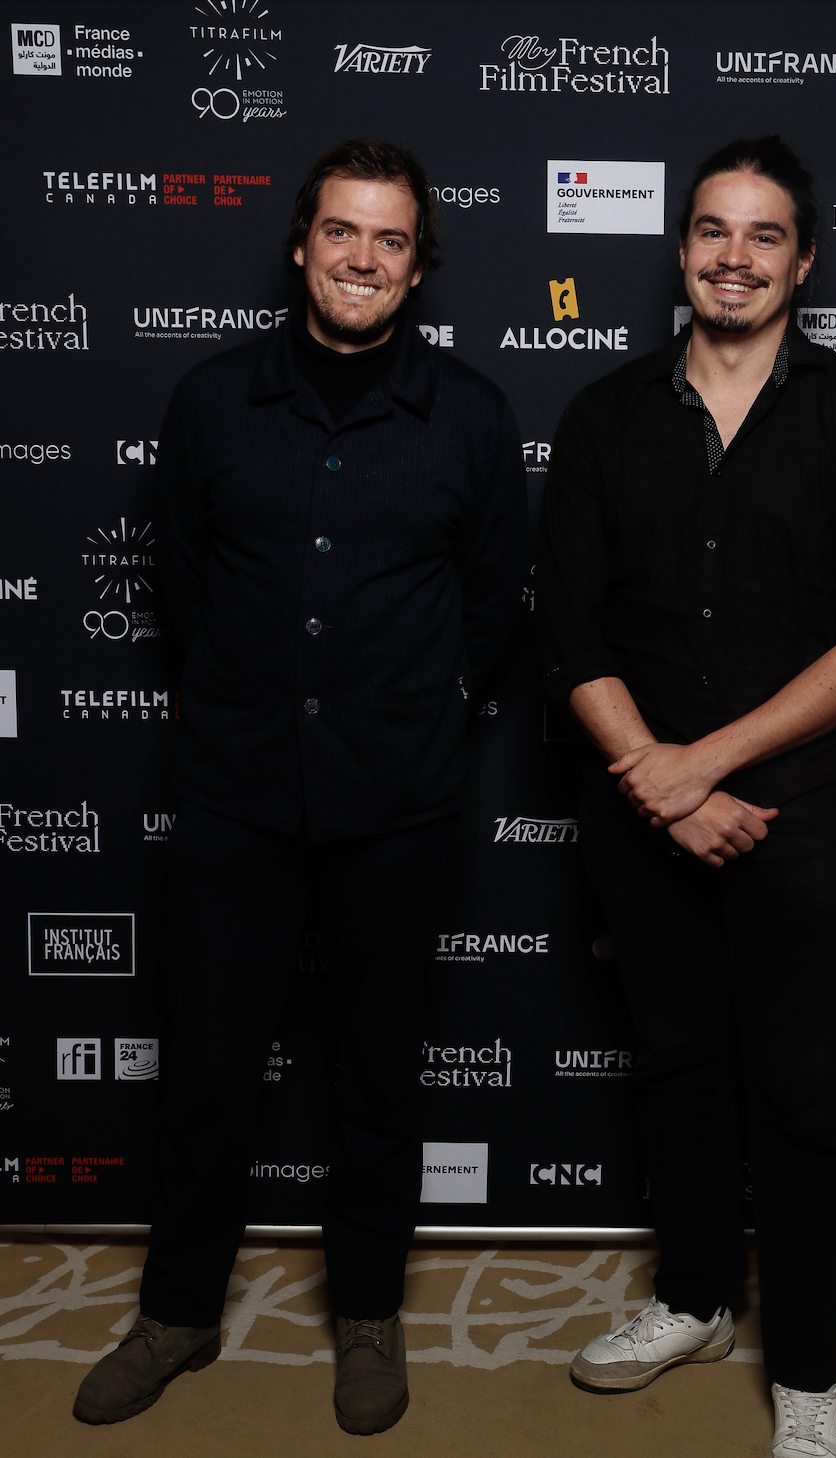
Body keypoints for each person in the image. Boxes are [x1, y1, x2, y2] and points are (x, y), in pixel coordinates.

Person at [73, 138, 526, 1435]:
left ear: (420, 263)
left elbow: (492, 601)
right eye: (342, 233)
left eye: (391, 240)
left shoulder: (472, 415)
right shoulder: (212, 400)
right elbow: (186, 583)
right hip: (236, 796)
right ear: (299, 245)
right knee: (208, 1074)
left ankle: (369, 1312)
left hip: (398, 802)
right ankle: (177, 1311)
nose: (363, 259)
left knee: (379, 1077)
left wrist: (427, 706)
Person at [535, 136, 836, 1458]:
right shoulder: (607, 415)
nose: (735, 255)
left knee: (804, 1098)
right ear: (680, 246)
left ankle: (808, 1368)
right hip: (645, 815)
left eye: (765, 235)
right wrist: (662, 780)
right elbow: (569, 626)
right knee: (682, 1074)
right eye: (713, 230)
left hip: (796, 819)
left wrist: (708, 762)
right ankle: (697, 1297)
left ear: (804, 259)